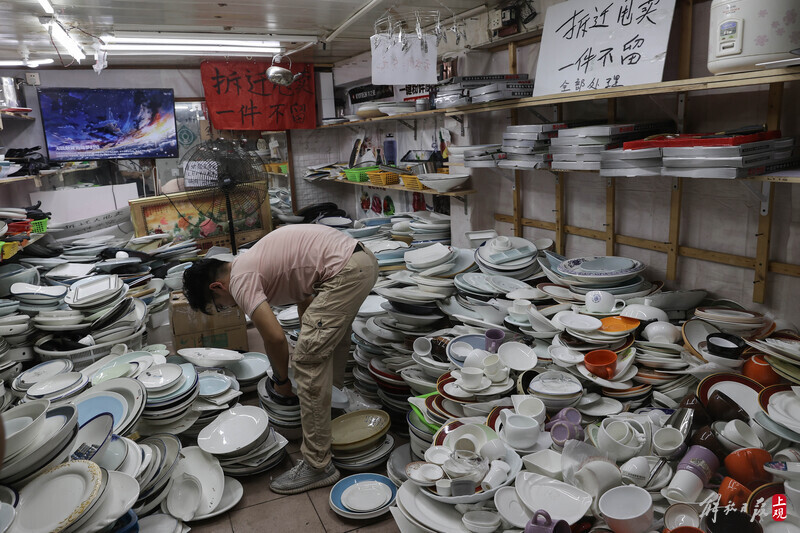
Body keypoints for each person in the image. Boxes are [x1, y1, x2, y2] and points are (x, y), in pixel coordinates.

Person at [182, 224, 378, 494]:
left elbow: (273, 338)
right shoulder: (251, 260)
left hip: (345, 271)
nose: (228, 307)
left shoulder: (239, 279)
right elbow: (306, 294)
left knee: (307, 363)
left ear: (217, 286)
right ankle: (333, 410)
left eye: (220, 305)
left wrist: (282, 379)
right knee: (326, 344)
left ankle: (318, 465)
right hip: (359, 261)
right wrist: (310, 335)